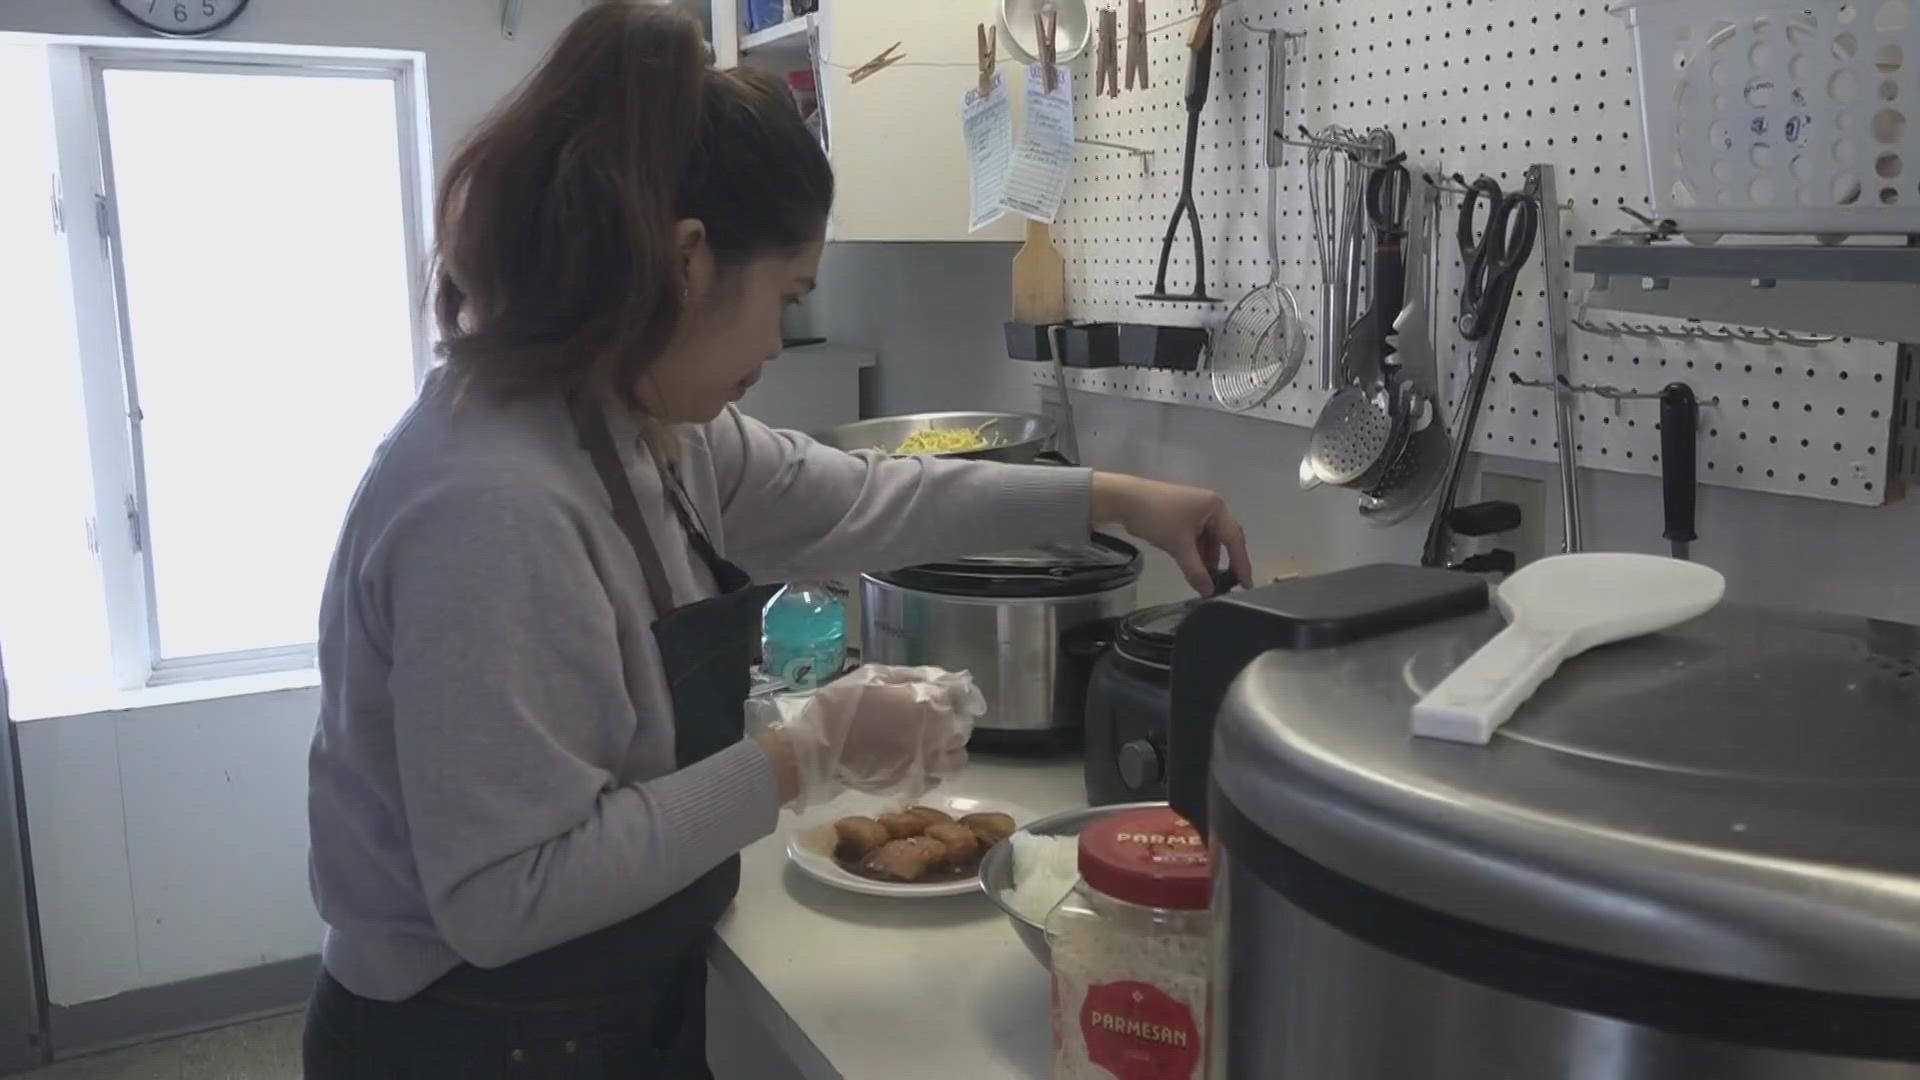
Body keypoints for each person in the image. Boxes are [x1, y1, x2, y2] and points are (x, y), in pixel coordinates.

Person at [301, 4, 1253, 1077]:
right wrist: (806, 754)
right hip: (471, 1036)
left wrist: (1116, 498)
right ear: (687, 262)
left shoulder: (637, 418)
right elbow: (507, 897)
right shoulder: (489, 502)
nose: (774, 343)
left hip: (606, 994)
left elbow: (860, 499)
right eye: (789, 297)